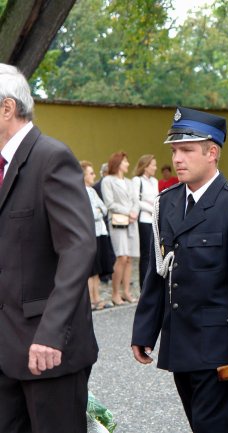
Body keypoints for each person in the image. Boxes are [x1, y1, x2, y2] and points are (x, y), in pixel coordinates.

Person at [131, 107, 228, 433]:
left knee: (212, 423)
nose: (178, 158)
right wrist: (144, 331)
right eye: (175, 150)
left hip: (217, 342)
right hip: (180, 338)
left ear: (212, 153)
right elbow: (158, 271)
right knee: (205, 422)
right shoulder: (166, 202)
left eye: (187, 150)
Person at [0, 63, 98, 432]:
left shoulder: (51, 158)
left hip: (47, 350)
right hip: (5, 351)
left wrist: (51, 333)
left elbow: (78, 248)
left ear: (7, 108)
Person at [102, 151, 140, 305]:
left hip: (131, 222)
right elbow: (109, 203)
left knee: (129, 258)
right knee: (121, 257)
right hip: (118, 222)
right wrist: (128, 212)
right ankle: (115, 293)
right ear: (117, 163)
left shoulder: (130, 182)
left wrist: (134, 212)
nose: (128, 164)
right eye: (125, 162)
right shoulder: (108, 181)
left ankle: (127, 292)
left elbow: (136, 200)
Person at [80, 160, 114, 311]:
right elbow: (90, 213)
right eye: (91, 173)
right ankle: (90, 300)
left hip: (100, 232)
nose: (94, 175)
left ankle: (97, 297)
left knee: (98, 267)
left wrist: (99, 212)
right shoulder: (80, 192)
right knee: (91, 269)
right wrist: (98, 212)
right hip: (90, 233)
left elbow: (104, 209)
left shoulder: (92, 190)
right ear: (83, 175)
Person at [132, 154, 158, 290]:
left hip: (154, 220)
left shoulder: (154, 181)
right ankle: (144, 286)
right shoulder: (137, 180)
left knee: (154, 252)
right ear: (146, 166)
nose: (155, 167)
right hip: (144, 220)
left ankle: (152, 283)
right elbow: (136, 200)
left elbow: (157, 199)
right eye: (153, 164)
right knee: (146, 253)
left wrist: (155, 209)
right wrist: (151, 208)